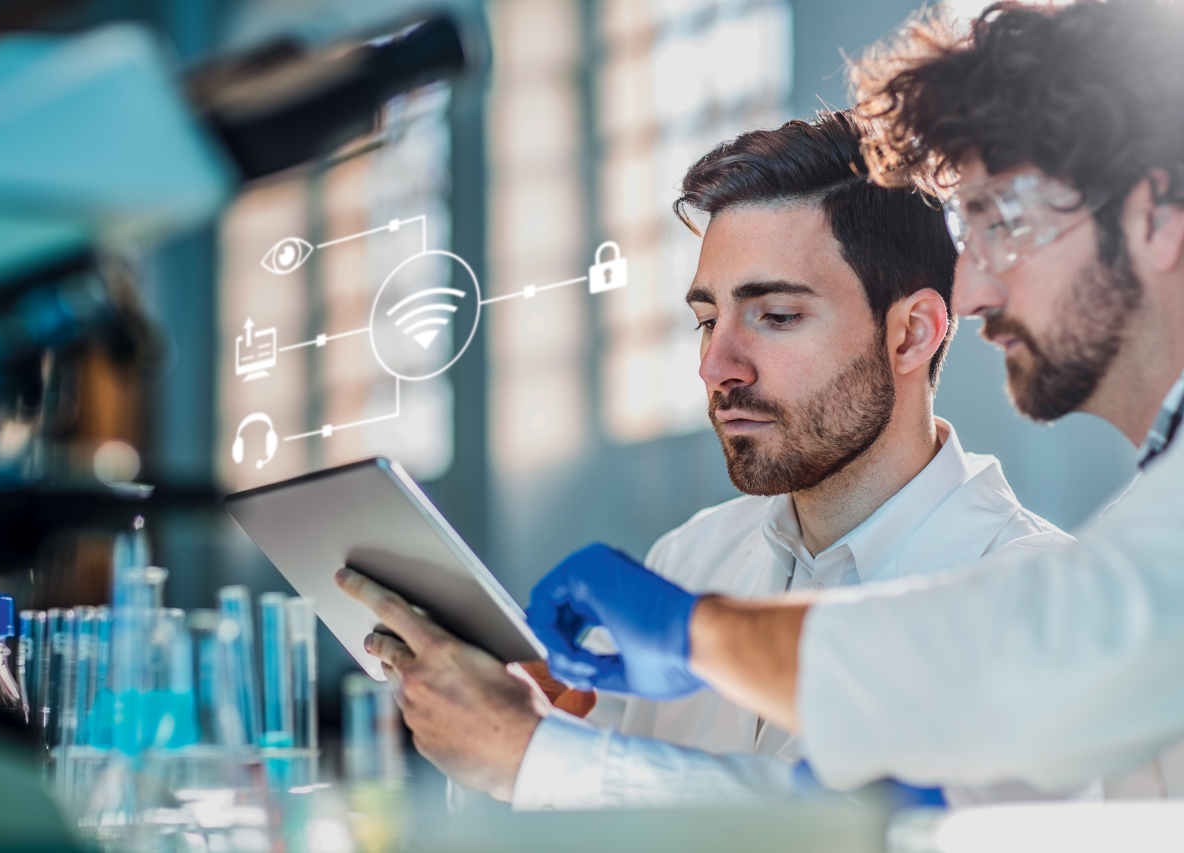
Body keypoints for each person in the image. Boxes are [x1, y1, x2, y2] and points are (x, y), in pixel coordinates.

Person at [522, 0, 1184, 798]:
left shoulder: (1054, 573)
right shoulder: (691, 557)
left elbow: (1028, 652)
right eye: (707, 319)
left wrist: (689, 638)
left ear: (1155, 218)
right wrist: (547, 733)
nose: (971, 289)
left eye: (1003, 222)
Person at [335, 109, 1075, 807]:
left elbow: (915, 832)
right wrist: (523, 732)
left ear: (912, 334)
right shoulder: (688, 559)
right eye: (707, 319)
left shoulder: (1046, 604)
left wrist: (538, 759)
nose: (717, 365)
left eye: (776, 316)